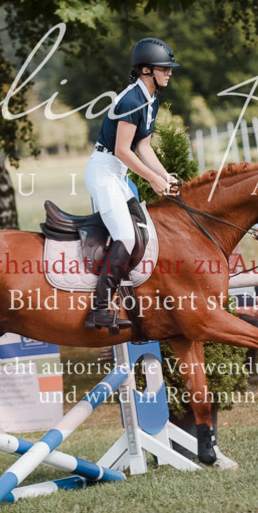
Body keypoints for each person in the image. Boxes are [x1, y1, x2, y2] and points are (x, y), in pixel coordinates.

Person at [83, 38, 179, 330]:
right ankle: (98, 309)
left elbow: (144, 146)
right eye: (165, 68)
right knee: (125, 237)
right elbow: (124, 150)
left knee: (143, 231)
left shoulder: (151, 100)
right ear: (146, 70)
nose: (170, 73)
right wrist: (152, 179)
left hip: (118, 173)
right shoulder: (131, 100)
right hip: (103, 171)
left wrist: (164, 176)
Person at [227, 247, 258, 372]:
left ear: (238, 257)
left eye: (233, 255)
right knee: (255, 326)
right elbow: (219, 307)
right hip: (236, 316)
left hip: (256, 315)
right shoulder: (218, 277)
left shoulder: (247, 275)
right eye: (227, 254)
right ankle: (245, 374)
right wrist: (246, 310)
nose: (229, 258)